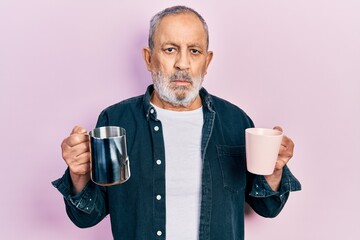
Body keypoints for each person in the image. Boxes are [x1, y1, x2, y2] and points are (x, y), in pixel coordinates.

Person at [53, 5, 301, 240]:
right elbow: (86, 217)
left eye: (194, 51)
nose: (183, 64)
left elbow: (268, 207)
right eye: (170, 49)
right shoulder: (116, 122)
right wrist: (79, 175)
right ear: (149, 58)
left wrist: (274, 171)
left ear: (207, 61)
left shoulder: (235, 121)